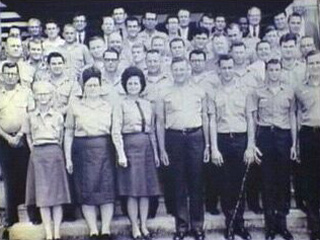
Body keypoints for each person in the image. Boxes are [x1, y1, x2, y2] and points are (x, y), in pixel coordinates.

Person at [156, 57, 209, 240]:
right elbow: (160, 122)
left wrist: (208, 145)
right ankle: (181, 226)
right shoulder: (164, 93)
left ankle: (197, 226)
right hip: (174, 138)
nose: (179, 73)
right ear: (171, 71)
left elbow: (206, 119)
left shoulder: (199, 91)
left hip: (195, 137)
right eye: (175, 70)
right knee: (178, 183)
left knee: (196, 182)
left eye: (182, 69)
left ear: (188, 70)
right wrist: (162, 149)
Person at [64, 66, 117, 240]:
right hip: (82, 151)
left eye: (95, 85)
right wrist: (68, 158)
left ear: (100, 86)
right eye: (89, 85)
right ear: (83, 87)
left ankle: (106, 229)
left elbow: (115, 131)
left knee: (106, 189)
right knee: (86, 190)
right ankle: (93, 230)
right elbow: (69, 132)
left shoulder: (108, 106)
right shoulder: (75, 105)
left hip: (104, 149)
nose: (93, 88)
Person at [209, 55, 256, 240]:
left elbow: (251, 120)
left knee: (240, 184)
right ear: (219, 69)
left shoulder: (245, 92)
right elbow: (212, 120)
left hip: (241, 140)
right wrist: (214, 148)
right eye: (224, 68)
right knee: (226, 184)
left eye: (230, 68)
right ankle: (229, 225)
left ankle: (240, 225)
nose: (227, 71)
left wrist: (250, 146)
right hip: (222, 140)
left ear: (233, 69)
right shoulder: (213, 93)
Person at [249, 59, 296, 240]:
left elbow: (292, 116)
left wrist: (294, 143)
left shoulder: (289, 92)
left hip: (283, 137)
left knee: (283, 181)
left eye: (277, 70)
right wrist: (252, 144)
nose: (274, 73)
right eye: (271, 70)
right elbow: (253, 119)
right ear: (266, 71)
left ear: (281, 71)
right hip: (265, 136)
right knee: (267, 181)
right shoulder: (258, 92)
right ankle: (270, 226)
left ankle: (282, 225)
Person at [112, 66, 161, 239]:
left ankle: (144, 225)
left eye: (136, 83)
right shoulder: (120, 104)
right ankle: (134, 226)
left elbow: (152, 131)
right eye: (130, 83)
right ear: (125, 85)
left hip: (146, 146)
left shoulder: (148, 105)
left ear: (141, 85)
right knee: (132, 190)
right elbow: (116, 131)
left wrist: (156, 153)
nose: (133, 86)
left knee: (145, 190)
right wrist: (121, 153)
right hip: (130, 147)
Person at [23, 81, 71, 240]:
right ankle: (48, 234)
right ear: (35, 96)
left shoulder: (57, 116)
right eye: (40, 94)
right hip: (38, 155)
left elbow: (62, 136)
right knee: (43, 197)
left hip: (54, 154)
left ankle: (57, 232)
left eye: (46, 94)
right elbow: (28, 136)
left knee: (57, 196)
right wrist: (34, 151)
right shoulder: (30, 116)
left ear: (51, 96)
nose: (43, 97)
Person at [0, 62, 34, 227]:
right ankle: (11, 219)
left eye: (13, 73)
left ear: (18, 75)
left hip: (24, 138)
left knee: (26, 176)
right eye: (7, 73)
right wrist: (7, 137)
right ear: (2, 75)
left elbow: (30, 114)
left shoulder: (26, 92)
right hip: (4, 141)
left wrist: (20, 134)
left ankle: (30, 215)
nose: (10, 76)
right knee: (9, 178)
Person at [295, 50, 320, 240]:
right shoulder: (300, 88)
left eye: (318, 63)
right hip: (308, 135)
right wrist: (296, 142)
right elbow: (296, 116)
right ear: (306, 65)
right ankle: (315, 226)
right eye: (311, 63)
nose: (315, 67)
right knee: (310, 180)